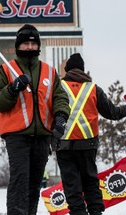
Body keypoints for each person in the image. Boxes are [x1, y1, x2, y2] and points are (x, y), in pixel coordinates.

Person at [0, 24, 70, 214]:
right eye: (25, 44)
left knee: (34, 183)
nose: (30, 48)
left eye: (33, 44)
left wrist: (60, 117)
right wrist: (12, 89)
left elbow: (60, 97)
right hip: (17, 136)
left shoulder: (49, 71)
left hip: (42, 135)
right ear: (18, 46)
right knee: (20, 179)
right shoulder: (6, 69)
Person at [53, 53, 126, 215]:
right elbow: (113, 113)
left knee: (72, 188)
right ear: (83, 70)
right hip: (88, 146)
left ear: (67, 71)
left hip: (64, 146)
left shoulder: (58, 88)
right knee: (91, 184)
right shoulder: (93, 89)